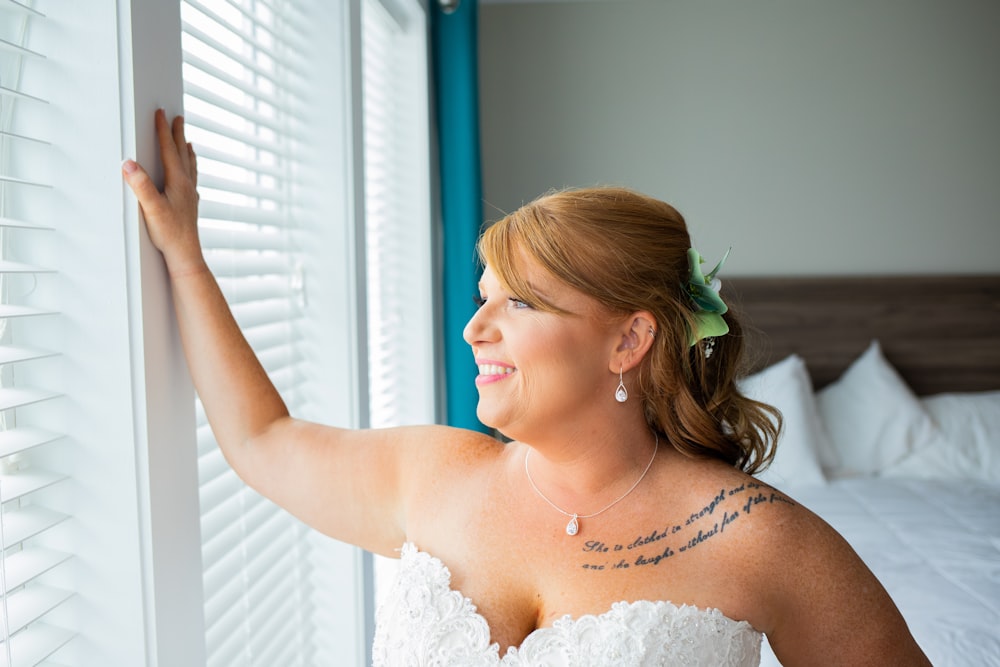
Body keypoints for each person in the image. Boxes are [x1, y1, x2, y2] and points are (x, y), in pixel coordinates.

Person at [122, 110, 930, 666]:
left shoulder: (760, 541)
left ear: (628, 338)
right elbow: (262, 440)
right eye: (482, 299)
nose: (476, 328)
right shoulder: (430, 475)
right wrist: (186, 257)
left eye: (520, 302)